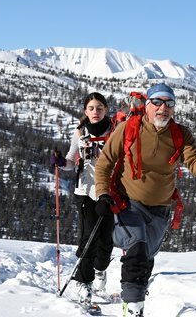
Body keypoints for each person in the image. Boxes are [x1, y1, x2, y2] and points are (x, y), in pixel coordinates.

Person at [94, 83, 196, 316]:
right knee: (137, 248)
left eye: (169, 104)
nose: (163, 109)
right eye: (157, 103)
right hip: (128, 202)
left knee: (146, 257)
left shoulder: (181, 134)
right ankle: (133, 309)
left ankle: (134, 297)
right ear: (147, 105)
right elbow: (105, 163)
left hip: (160, 208)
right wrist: (103, 194)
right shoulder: (130, 128)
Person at [50, 92, 115, 305]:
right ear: (85, 111)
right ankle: (84, 283)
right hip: (85, 191)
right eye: (91, 108)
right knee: (88, 239)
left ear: (106, 110)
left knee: (106, 240)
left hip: (110, 193)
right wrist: (60, 162)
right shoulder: (80, 132)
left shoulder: (115, 131)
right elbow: (71, 160)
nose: (95, 112)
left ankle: (100, 271)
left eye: (99, 108)